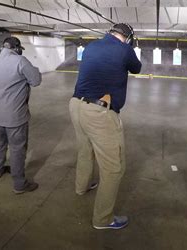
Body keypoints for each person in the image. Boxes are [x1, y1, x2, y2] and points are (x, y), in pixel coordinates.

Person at [69, 23, 142, 230]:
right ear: (128, 38)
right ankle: (103, 219)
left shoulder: (91, 46)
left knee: (85, 150)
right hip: (99, 112)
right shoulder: (125, 49)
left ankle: (81, 187)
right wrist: (130, 48)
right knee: (113, 168)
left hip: (76, 105)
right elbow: (137, 69)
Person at [0, 37, 41, 194]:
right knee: (17, 149)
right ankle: (19, 184)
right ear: (16, 48)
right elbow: (36, 80)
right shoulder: (20, 61)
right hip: (14, 116)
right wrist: (34, 69)